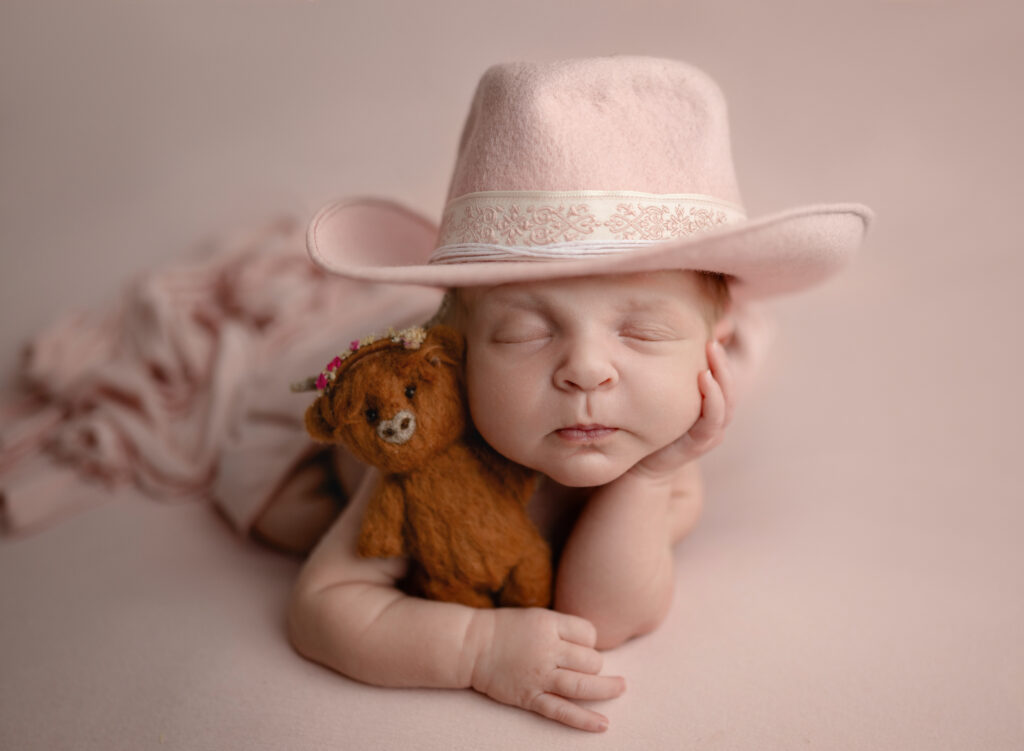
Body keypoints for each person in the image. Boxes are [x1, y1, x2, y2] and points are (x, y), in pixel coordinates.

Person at [260, 56, 873, 733]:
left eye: (641, 332)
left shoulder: (666, 449)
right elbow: (323, 606)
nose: (585, 371)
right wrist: (476, 647)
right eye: (524, 333)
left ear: (714, 341)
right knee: (284, 513)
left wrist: (648, 478)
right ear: (456, 346)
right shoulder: (425, 446)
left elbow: (599, 617)